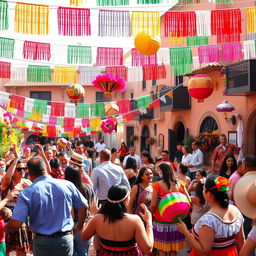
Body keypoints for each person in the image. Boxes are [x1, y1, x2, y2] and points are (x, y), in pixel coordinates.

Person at [5, 155, 88, 256]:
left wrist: (4, 229)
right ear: (45, 168)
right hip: (64, 240)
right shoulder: (67, 185)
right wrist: (78, 226)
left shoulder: (27, 193)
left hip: (42, 242)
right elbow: (84, 205)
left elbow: (16, 222)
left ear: (30, 173)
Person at [177, 176, 245, 256]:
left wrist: (185, 232)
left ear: (209, 194)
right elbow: (242, 240)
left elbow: (203, 251)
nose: (202, 191)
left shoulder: (208, 220)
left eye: (204, 189)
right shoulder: (235, 210)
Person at [81, 184, 154, 255]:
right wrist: (149, 223)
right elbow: (147, 249)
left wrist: (92, 215)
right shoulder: (135, 220)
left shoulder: (97, 219)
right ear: (125, 200)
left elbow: (84, 237)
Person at [150, 162, 188, 256]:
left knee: (162, 249)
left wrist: (151, 214)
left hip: (161, 219)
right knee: (173, 249)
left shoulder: (157, 185)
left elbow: (153, 204)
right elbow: (188, 199)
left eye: (159, 170)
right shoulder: (180, 184)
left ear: (163, 171)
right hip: (176, 220)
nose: (158, 172)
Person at [1, 145, 33, 256]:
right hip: (9, 220)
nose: (22, 171)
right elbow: (6, 178)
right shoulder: (7, 184)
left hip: (24, 221)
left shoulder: (28, 183)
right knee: (7, 251)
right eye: (19, 169)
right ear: (13, 170)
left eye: (24, 169)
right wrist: (15, 159)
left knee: (22, 250)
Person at [65, 165, 94, 256]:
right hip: (85, 225)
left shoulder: (65, 190)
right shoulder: (88, 188)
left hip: (69, 226)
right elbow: (92, 204)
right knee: (83, 253)